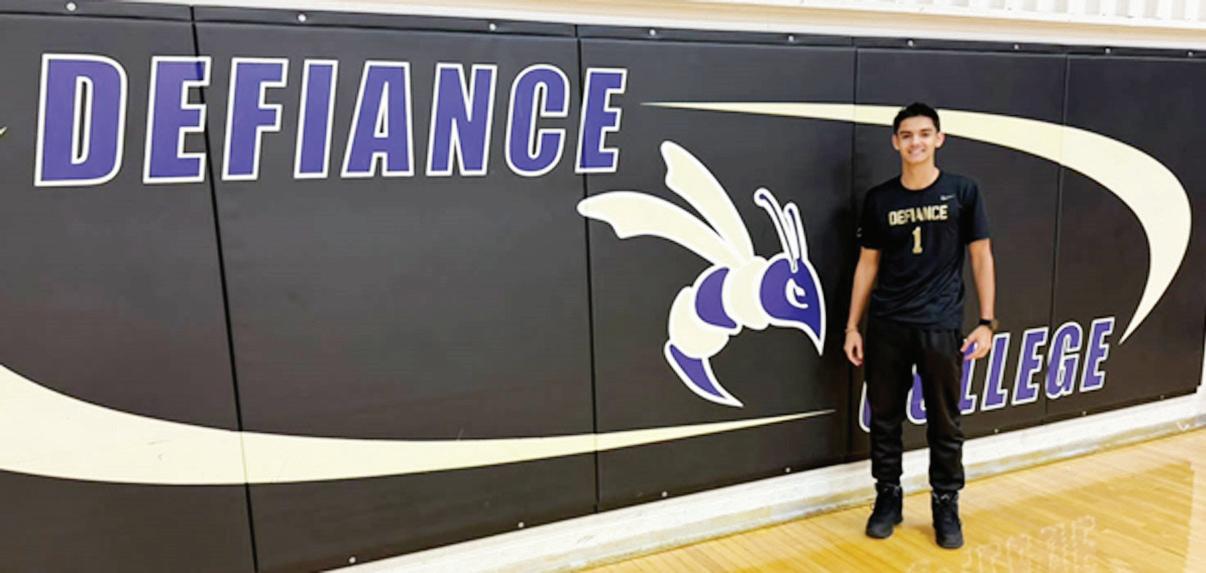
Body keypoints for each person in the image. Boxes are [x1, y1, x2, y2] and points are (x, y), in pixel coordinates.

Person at [843, 102, 996, 549]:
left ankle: (945, 503)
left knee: (945, 422)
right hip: (888, 324)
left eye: (925, 134)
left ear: (939, 139)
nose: (916, 142)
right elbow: (867, 264)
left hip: (940, 324)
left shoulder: (963, 192)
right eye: (907, 135)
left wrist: (987, 321)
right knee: (884, 419)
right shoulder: (880, 199)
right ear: (895, 142)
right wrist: (852, 326)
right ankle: (887, 498)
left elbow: (981, 257)